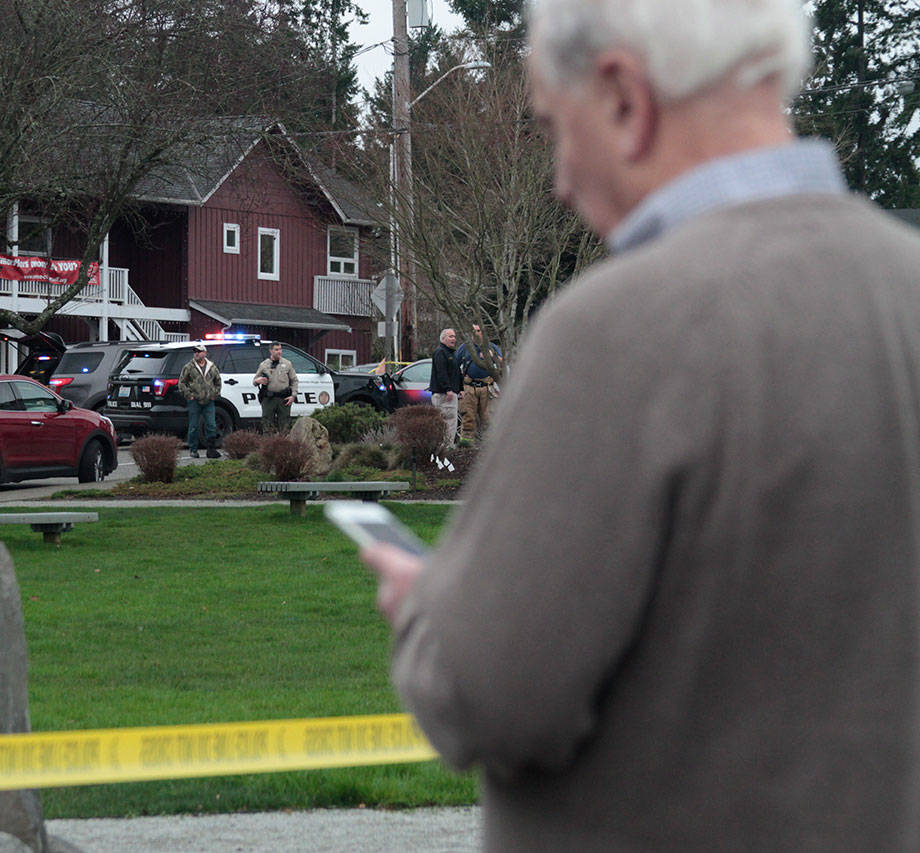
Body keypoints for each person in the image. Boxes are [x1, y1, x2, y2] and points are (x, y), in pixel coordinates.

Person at [361, 0, 920, 849]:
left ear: (623, 97)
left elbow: (489, 698)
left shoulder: (618, 330)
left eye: (556, 125)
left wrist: (428, 608)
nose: (558, 178)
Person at [454, 324, 503, 443]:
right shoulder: (465, 348)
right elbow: (454, 365)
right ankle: (466, 446)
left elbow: (501, 363)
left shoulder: (491, 347)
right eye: (473, 331)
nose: (475, 333)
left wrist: (491, 355)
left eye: (478, 331)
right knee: (468, 419)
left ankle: (488, 448)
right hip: (469, 388)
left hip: (487, 388)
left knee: (488, 419)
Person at [178, 344, 221, 459]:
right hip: (194, 401)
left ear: (205, 353)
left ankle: (211, 450)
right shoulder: (188, 367)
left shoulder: (212, 367)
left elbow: (218, 382)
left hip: (209, 401)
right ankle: (193, 449)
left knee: (211, 425)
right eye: (195, 352)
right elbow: (182, 383)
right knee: (194, 426)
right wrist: (189, 395)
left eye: (199, 351)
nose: (197, 353)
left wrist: (214, 394)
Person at [427, 328, 462, 447]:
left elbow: (456, 372)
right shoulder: (440, 352)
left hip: (451, 393)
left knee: (451, 422)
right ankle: (446, 449)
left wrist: (460, 389)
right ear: (443, 339)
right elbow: (441, 373)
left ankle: (447, 447)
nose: (454, 339)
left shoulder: (451, 353)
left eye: (454, 336)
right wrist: (448, 389)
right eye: (450, 336)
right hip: (444, 395)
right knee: (448, 423)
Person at [253, 342, 298, 432]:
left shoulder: (287, 364)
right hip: (269, 399)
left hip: (283, 399)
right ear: (271, 351)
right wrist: (258, 380)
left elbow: (294, 380)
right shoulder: (264, 365)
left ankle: (284, 445)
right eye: (276, 350)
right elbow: (254, 381)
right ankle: (268, 445)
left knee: (285, 425)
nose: (279, 352)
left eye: (280, 349)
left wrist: (293, 396)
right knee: (267, 425)